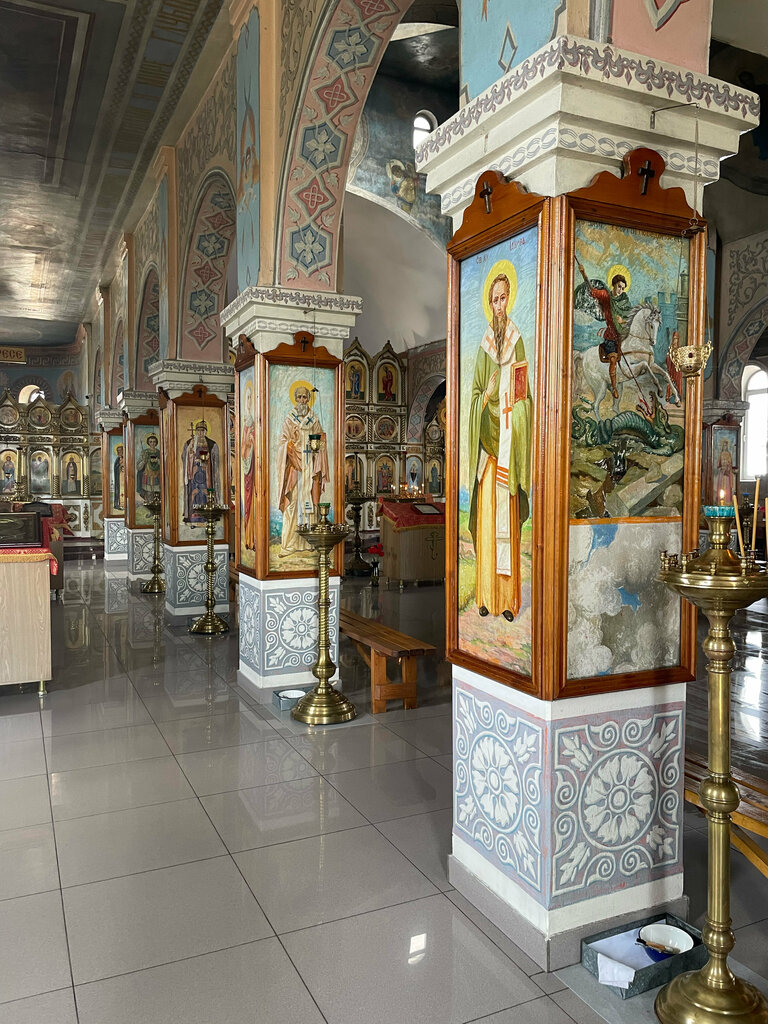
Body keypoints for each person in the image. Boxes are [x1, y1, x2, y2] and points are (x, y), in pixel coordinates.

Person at [468, 272, 532, 621]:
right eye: (494, 300)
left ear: (510, 299)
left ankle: (507, 601)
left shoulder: (516, 340)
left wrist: (514, 409)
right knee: (487, 526)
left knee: (506, 524)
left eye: (503, 298)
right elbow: (475, 397)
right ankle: (485, 597)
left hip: (508, 449)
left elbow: (526, 397)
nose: (498, 305)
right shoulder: (484, 346)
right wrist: (489, 397)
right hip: (489, 452)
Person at [276, 383, 328, 555]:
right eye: (299, 397)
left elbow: (321, 439)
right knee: (292, 503)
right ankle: (289, 545)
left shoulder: (314, 419)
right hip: (295, 468)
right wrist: (289, 446)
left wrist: (319, 444)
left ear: (308, 399)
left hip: (310, 467)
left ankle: (308, 544)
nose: (302, 400)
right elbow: (282, 442)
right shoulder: (289, 419)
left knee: (310, 503)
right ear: (295, 399)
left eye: (305, 397)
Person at [576, 259, 632, 399]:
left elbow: (630, 317)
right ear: (614, 285)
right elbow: (592, 291)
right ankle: (614, 387)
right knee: (613, 359)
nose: (620, 290)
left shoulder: (624, 300)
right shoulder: (606, 296)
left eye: (623, 288)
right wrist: (584, 274)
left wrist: (622, 320)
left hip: (624, 333)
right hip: (611, 335)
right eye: (619, 287)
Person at [182, 420, 220, 523]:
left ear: (206, 432)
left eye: (202, 430)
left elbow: (215, 461)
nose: (200, 433)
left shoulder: (211, 444)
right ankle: (193, 516)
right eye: (198, 430)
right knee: (194, 493)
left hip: (206, 474)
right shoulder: (189, 443)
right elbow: (184, 458)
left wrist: (206, 460)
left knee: (204, 493)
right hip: (194, 474)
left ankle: (206, 516)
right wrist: (191, 455)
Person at [240, 387, 255, 552]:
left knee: (257, 504)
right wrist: (250, 444)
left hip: (258, 473)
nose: (250, 401)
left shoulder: (255, 423)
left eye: (252, 397)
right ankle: (250, 539)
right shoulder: (246, 425)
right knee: (249, 504)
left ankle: (255, 538)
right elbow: (243, 452)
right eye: (248, 398)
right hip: (249, 472)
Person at [136, 433, 161, 500]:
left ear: (156, 443)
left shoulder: (159, 452)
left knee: (157, 494)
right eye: (151, 442)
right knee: (148, 494)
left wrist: (158, 461)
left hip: (157, 476)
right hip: (148, 475)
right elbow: (138, 467)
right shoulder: (144, 452)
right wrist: (144, 461)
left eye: (154, 442)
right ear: (148, 443)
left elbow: (163, 464)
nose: (152, 443)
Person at [715, 438, 736, 505]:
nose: (725, 447)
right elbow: (718, 464)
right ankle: (720, 502)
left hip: (727, 473)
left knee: (727, 487)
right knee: (721, 486)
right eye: (724, 445)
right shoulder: (721, 454)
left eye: (726, 445)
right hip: (722, 472)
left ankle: (727, 501)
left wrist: (727, 468)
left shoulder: (728, 454)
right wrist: (721, 468)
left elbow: (730, 463)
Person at [113, 444, 126, 511]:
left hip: (125, 478)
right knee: (118, 490)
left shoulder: (126, 458)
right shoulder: (117, 459)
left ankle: (125, 504)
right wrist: (119, 465)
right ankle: (117, 504)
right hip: (119, 478)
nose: (119, 452)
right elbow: (116, 468)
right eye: (118, 451)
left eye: (120, 450)